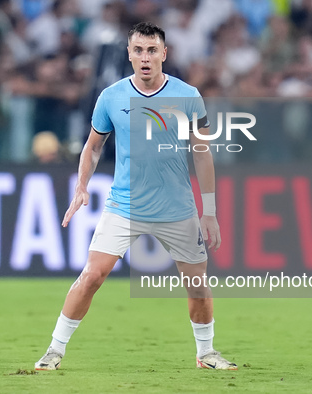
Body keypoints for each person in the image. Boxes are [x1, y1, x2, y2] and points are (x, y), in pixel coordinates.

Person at [35, 22, 237, 371]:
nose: (145, 57)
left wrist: (210, 210)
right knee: (92, 276)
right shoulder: (111, 97)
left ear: (164, 54)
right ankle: (54, 350)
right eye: (139, 50)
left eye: (152, 50)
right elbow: (92, 147)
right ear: (129, 54)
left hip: (178, 207)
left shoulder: (188, 95)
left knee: (197, 284)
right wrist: (81, 186)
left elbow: (202, 153)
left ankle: (206, 354)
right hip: (125, 205)